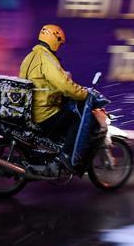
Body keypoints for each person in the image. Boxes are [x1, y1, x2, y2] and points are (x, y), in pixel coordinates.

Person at [19, 24, 89, 170]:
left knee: (65, 111)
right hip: (43, 113)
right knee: (77, 119)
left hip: (31, 110)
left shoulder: (30, 56)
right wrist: (83, 93)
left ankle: (56, 148)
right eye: (59, 43)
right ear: (55, 40)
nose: (60, 46)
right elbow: (63, 84)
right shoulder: (47, 58)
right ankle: (66, 156)